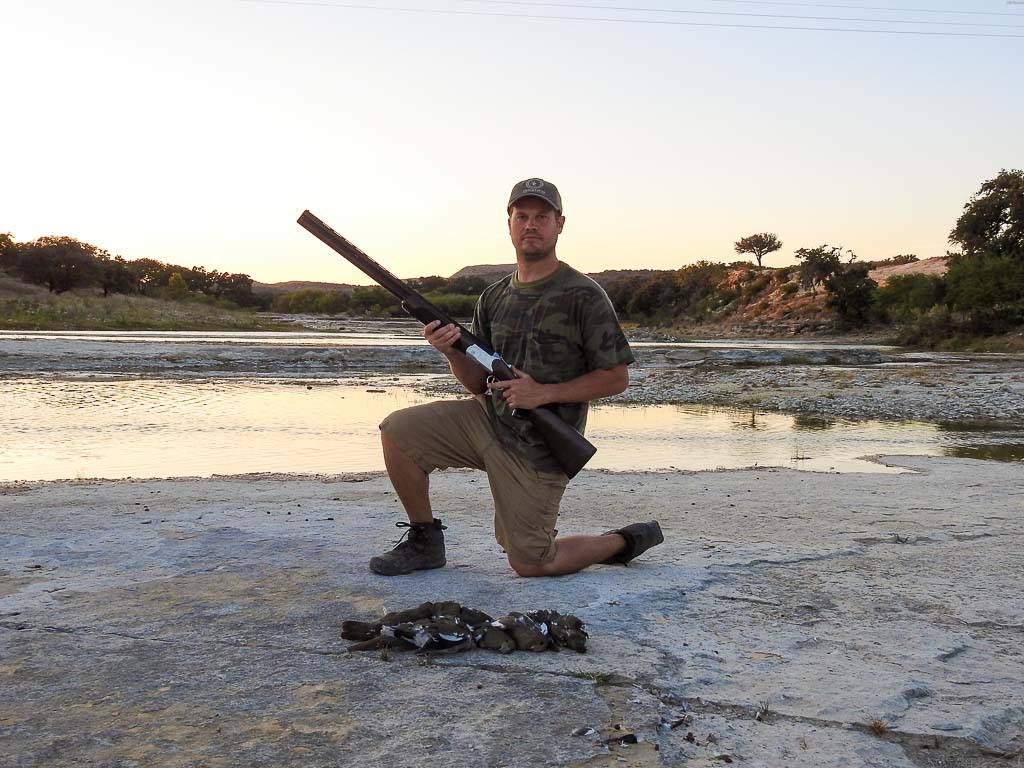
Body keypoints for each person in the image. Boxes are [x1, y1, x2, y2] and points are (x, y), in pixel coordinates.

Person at [372, 178, 663, 577]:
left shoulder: (584, 294)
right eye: (521, 216)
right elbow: (476, 383)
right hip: (487, 422)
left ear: (560, 224)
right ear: (508, 224)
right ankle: (425, 540)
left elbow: (616, 378)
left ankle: (621, 541)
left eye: (541, 217)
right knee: (398, 431)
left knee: (531, 563)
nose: (531, 225)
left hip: (540, 449)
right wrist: (450, 350)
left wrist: (543, 394)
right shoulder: (493, 296)